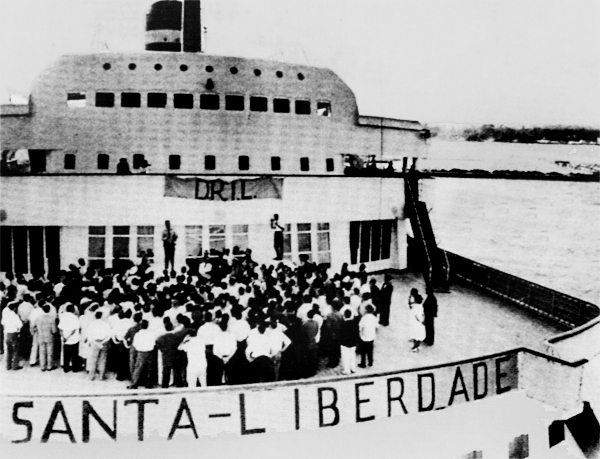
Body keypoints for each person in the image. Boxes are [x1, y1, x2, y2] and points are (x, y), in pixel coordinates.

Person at [128, 320, 156, 389]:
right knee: (150, 368)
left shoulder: (138, 334)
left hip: (141, 352)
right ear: (148, 326)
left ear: (140, 326)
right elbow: (154, 343)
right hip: (150, 352)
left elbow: (135, 344)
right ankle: (149, 384)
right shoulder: (151, 333)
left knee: (138, 368)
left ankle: (134, 384)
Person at [87, 310, 112, 380]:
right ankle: (101, 376)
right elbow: (109, 335)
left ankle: (91, 376)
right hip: (104, 342)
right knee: (103, 360)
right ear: (101, 316)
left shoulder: (92, 324)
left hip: (95, 343)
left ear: (95, 316)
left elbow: (89, 335)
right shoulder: (106, 324)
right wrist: (102, 342)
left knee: (93, 360)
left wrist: (96, 343)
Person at [58, 304, 81, 372]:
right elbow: (75, 329)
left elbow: (60, 329)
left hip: (65, 340)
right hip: (74, 339)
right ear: (73, 310)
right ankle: (75, 368)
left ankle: (66, 368)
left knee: (66, 355)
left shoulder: (62, 317)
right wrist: (68, 337)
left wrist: (64, 337)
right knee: (75, 355)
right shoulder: (75, 317)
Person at [2, 301, 23, 370]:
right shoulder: (15, 316)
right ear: (14, 308)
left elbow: (2, 323)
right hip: (14, 334)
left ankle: (8, 366)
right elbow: (20, 325)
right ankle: (15, 366)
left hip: (7, 333)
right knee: (15, 350)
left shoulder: (6, 315)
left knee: (9, 350)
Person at [37, 304, 57, 371]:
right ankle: (49, 366)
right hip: (49, 335)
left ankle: (42, 366)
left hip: (41, 335)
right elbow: (54, 330)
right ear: (49, 309)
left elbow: (38, 327)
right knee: (50, 352)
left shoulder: (39, 317)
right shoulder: (51, 318)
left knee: (42, 351)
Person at [339, 309, 358, 375]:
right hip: (353, 343)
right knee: (352, 355)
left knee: (345, 357)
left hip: (345, 343)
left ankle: (346, 370)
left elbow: (340, 334)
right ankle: (353, 368)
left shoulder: (342, 324)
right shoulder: (355, 323)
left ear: (344, 315)